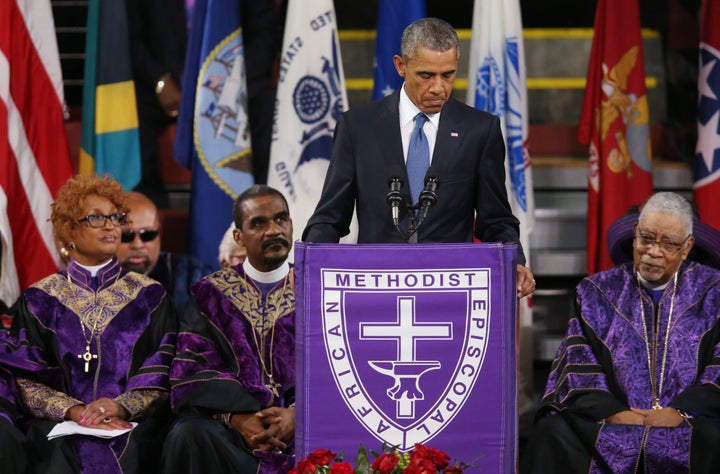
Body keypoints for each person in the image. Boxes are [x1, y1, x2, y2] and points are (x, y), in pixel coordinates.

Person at [302, 17, 534, 298]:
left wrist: (516, 262)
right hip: (375, 289)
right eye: (426, 75)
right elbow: (329, 217)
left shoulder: (479, 130)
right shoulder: (358, 127)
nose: (438, 87)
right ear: (401, 66)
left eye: (447, 75)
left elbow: (495, 219)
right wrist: (308, 262)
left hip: (450, 290)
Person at [521, 192, 720, 473]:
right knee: (552, 431)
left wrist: (681, 411)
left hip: (689, 424)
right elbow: (578, 365)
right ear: (635, 234)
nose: (653, 252)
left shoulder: (714, 291)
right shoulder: (595, 292)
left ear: (687, 247)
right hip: (614, 423)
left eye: (669, 244)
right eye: (647, 238)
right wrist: (613, 412)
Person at [3, 175, 178, 473]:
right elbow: (23, 379)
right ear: (69, 229)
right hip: (58, 430)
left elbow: (164, 369)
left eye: (115, 217)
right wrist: (71, 410)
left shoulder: (151, 296)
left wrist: (120, 406)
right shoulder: (38, 300)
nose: (111, 225)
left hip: (135, 427)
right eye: (97, 218)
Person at [161, 185, 295, 473]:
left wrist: (298, 414)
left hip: (302, 425)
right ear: (239, 236)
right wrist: (239, 417)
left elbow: (337, 368)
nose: (274, 230)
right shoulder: (209, 293)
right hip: (234, 431)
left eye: (281, 219)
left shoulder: (319, 287)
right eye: (259, 223)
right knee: (187, 435)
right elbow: (191, 370)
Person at [126, 0, 187, 207]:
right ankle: (150, 222)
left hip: (225, 82)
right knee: (130, 124)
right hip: (154, 85)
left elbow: (261, 35)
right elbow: (129, 37)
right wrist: (159, 80)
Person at [116, 191, 214, 313]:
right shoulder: (90, 283)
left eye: (148, 235)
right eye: (126, 236)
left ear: (159, 233)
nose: (138, 245)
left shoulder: (194, 275)